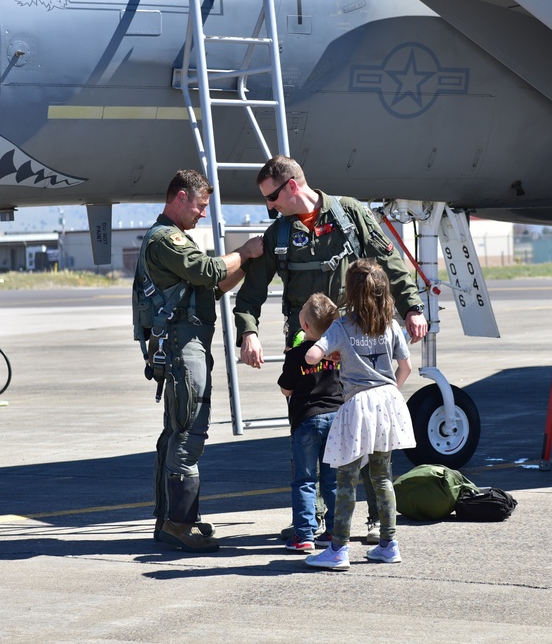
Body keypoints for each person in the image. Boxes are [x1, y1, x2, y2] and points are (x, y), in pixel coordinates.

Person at [233, 155, 427, 541]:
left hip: (354, 343)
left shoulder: (349, 214)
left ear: (291, 186)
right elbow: (251, 291)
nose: (268, 207)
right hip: (308, 350)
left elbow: (388, 261)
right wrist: (248, 332)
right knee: (310, 431)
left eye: (271, 197)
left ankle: (375, 518)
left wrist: (413, 307)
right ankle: (316, 520)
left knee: (364, 435)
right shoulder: (280, 234)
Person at [140, 169, 263, 553]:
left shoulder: (178, 241)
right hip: (182, 347)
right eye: (199, 205)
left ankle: (172, 520)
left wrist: (248, 265)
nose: (203, 213)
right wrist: (245, 251)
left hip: (187, 345)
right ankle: (178, 523)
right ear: (180, 198)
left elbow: (213, 285)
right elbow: (207, 270)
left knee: (177, 431)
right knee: (188, 433)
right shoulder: (167, 240)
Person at [304, 259, 416, 570]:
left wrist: (320, 347)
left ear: (351, 292)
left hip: (357, 406)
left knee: (347, 479)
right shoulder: (391, 325)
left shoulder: (342, 326)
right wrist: (391, 390)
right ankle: (388, 543)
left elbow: (313, 355)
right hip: (387, 401)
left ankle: (338, 549)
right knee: (382, 476)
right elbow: (405, 367)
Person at [277, 293, 344, 553]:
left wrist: (291, 358)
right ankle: (337, 530)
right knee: (333, 479)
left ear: (304, 326)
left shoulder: (297, 355)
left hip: (307, 420)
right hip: (336, 418)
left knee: (305, 479)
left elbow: (286, 390)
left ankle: (304, 534)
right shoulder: (337, 353)